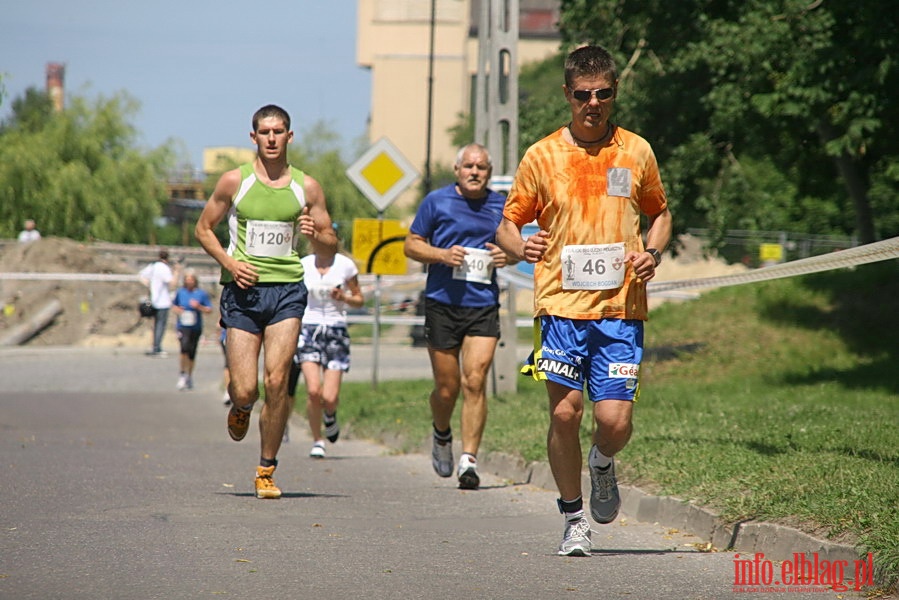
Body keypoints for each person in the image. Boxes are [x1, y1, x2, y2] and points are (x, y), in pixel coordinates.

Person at [495, 45, 673, 556]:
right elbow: (508, 223)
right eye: (582, 95)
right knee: (566, 414)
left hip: (620, 308)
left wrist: (653, 253)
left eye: (603, 94)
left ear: (614, 92)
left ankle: (601, 461)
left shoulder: (636, 151)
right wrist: (519, 244)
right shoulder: (542, 154)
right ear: (567, 95)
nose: (593, 103)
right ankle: (573, 517)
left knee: (614, 423)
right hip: (559, 305)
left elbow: (660, 213)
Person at [195, 104, 337, 500]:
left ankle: (266, 470)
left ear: (289, 137)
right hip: (243, 292)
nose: (272, 138)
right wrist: (229, 262)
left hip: (288, 291)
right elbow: (203, 228)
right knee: (245, 389)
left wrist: (315, 235)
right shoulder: (232, 182)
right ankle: (240, 407)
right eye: (265, 132)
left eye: (279, 132)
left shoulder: (306, 187)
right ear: (253, 137)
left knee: (277, 381)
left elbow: (330, 242)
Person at [403, 143, 512, 490]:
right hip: (442, 302)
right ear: (457, 170)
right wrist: (440, 254)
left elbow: (515, 249)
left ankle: (469, 459)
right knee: (448, 389)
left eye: (481, 167)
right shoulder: (436, 201)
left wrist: (504, 256)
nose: (474, 172)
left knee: (475, 380)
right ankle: (441, 432)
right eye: (469, 166)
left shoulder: (501, 204)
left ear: (490, 173)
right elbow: (411, 244)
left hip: (482, 304)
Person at [286, 249, 364, 458]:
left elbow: (359, 299)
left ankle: (330, 414)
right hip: (308, 329)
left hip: (335, 330)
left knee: (329, 397)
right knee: (313, 391)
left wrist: (344, 297)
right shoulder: (303, 264)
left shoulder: (345, 265)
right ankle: (317, 440)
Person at [172, 268, 213, 390]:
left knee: (192, 352)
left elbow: (209, 309)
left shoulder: (201, 294)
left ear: (195, 281)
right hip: (183, 325)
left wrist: (198, 306)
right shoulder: (180, 292)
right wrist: (178, 310)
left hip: (195, 325)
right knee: (183, 348)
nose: (189, 282)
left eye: (191, 279)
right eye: (187, 279)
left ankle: (189, 376)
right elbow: (174, 305)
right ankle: (182, 374)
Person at [139, 249, 180, 357]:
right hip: (163, 301)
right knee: (160, 325)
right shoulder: (164, 268)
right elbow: (172, 283)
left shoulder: (152, 266)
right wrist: (176, 271)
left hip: (153, 300)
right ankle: (157, 347)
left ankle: (154, 345)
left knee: (155, 325)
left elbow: (141, 276)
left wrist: (150, 286)